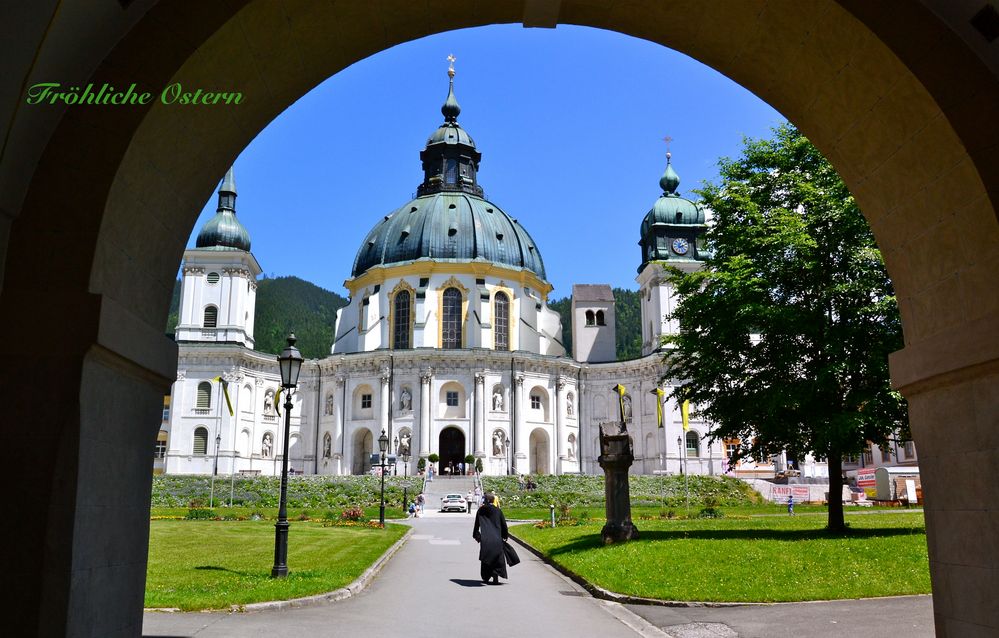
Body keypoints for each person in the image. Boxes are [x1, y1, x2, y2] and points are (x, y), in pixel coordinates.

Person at [472, 493, 509, 584]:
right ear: (493, 500)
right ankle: (496, 574)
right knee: (498, 558)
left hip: (485, 539)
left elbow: (477, 525)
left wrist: (477, 536)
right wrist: (505, 536)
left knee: (486, 557)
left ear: (485, 500)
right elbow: (504, 525)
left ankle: (486, 576)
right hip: (497, 538)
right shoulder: (498, 511)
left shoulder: (480, 511)